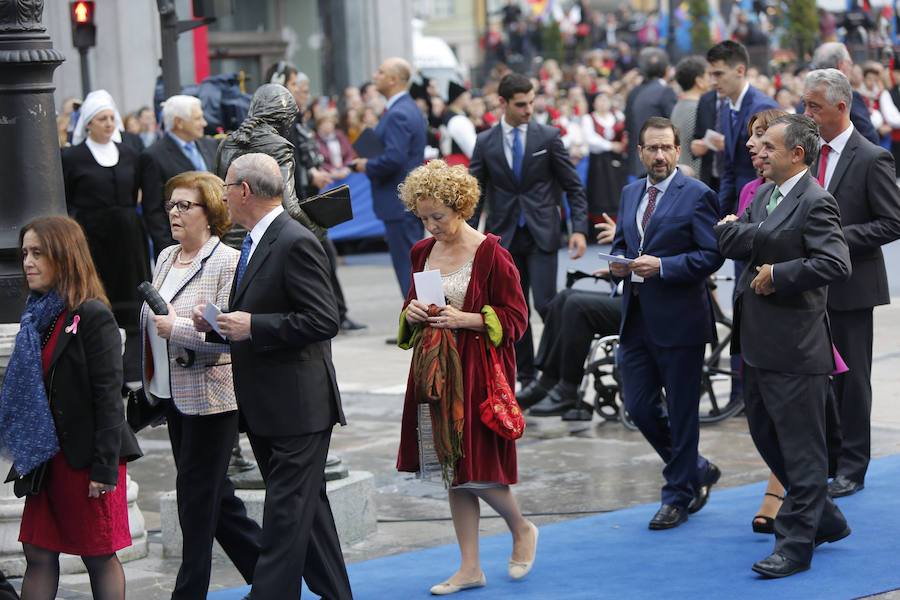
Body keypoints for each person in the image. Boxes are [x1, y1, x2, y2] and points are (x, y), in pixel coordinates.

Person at [192, 153, 351, 600]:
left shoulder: (294, 240)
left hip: (299, 408)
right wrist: (224, 323)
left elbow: (324, 320)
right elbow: (266, 310)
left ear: (244, 191)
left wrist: (252, 326)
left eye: (226, 185)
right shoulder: (257, 240)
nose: (222, 194)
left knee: (285, 515)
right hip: (268, 405)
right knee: (308, 512)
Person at [715, 114, 852, 578]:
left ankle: (795, 544)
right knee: (767, 436)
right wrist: (762, 238)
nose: (759, 150)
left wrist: (779, 271)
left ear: (797, 154)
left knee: (802, 450)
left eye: (768, 145)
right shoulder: (765, 195)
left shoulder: (817, 201)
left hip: (796, 348)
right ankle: (826, 517)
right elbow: (729, 238)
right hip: (755, 342)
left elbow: (835, 262)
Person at [395, 160, 534, 595]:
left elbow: (517, 320)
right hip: (433, 372)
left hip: (478, 374)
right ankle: (470, 566)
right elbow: (413, 308)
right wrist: (412, 312)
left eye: (438, 216)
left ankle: (521, 527)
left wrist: (468, 319)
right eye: (423, 217)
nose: (430, 225)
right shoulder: (421, 252)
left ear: (462, 208)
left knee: (474, 467)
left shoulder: (493, 253)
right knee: (450, 468)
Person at [0, 216, 142, 599]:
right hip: (46, 457)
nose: (27, 262)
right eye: (25, 253)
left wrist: (104, 469)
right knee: (38, 551)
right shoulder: (37, 315)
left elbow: (110, 398)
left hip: (88, 459)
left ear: (64, 256)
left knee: (98, 555)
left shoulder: (92, 314)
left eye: (38, 253)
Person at [139, 171, 262, 598]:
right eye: (170, 205)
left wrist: (180, 330)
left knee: (195, 499)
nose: (174, 212)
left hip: (213, 398)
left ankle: (188, 593)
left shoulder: (227, 262)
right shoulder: (166, 257)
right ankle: (272, 579)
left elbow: (230, 339)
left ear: (210, 212)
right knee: (218, 501)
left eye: (184, 205)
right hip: (173, 396)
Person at [608, 117, 724, 530]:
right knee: (639, 406)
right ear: (639, 153)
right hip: (635, 317)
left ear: (678, 151)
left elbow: (711, 255)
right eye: (651, 149)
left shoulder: (697, 195)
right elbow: (625, 241)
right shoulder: (628, 193)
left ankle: (677, 494)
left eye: (666, 148)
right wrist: (619, 262)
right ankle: (696, 468)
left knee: (682, 412)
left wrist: (664, 266)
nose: (659, 156)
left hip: (681, 321)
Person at [802, 69, 900, 498]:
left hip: (852, 284)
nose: (805, 114)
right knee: (816, 376)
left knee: (852, 379)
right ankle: (828, 456)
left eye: (813, 107)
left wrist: (835, 239)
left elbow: (892, 222)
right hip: (807, 285)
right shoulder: (805, 151)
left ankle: (853, 467)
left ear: (841, 108)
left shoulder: (871, 156)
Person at [468, 72, 589, 388]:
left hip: (542, 233)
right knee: (512, 309)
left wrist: (579, 229)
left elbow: (573, 187)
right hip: (503, 237)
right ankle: (525, 376)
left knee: (545, 305)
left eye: (532, 103)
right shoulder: (484, 142)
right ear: (502, 103)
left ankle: (560, 370)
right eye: (521, 104)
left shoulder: (547, 136)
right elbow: (473, 195)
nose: (528, 110)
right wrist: (463, 238)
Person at [267, 62, 367, 333]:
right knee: (320, 258)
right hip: (295, 204)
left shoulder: (296, 122)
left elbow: (301, 158)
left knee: (324, 257)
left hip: (307, 201)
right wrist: (310, 176)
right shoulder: (280, 123)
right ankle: (331, 314)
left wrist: (313, 174)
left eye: (303, 90)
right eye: (298, 88)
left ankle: (336, 313)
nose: (303, 95)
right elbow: (287, 164)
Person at [61, 89, 151, 382]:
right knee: (99, 297)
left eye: (112, 117)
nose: (109, 123)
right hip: (92, 238)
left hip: (128, 238)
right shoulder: (72, 157)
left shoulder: (129, 153)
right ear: (88, 123)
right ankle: (100, 367)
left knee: (132, 301)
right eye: (102, 119)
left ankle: (132, 370)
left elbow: (138, 190)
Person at [350, 57, 427, 301]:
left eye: (381, 72)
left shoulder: (398, 113)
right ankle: (418, 323)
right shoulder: (404, 108)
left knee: (408, 268)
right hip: (403, 201)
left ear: (394, 79)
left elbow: (394, 158)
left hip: (398, 201)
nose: (375, 77)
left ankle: (418, 324)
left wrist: (366, 164)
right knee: (412, 266)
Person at [706, 40, 779, 217]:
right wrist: (720, 215)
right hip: (738, 204)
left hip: (760, 206)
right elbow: (729, 169)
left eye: (718, 74)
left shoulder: (763, 107)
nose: (713, 81)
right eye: (711, 75)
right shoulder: (726, 107)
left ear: (740, 70)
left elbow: (773, 164)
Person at [139, 94, 218, 259]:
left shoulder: (209, 146)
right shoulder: (154, 156)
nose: (204, 123)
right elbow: (153, 212)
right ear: (178, 122)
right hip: (182, 248)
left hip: (215, 241)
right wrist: (170, 252)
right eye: (198, 118)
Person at [801, 42, 879, 145]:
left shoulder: (803, 99)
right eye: (850, 64)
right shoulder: (848, 96)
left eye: (814, 106)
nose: (807, 113)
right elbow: (870, 139)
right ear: (841, 65)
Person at [624, 47, 677, 177]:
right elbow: (675, 125)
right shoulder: (665, 91)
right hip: (660, 162)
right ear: (667, 70)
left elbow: (628, 127)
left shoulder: (633, 92)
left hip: (639, 161)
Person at [581, 91, 627, 219]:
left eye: (606, 99)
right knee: (600, 192)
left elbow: (626, 131)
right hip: (599, 161)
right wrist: (611, 146)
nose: (603, 102)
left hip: (617, 159)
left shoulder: (618, 116)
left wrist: (623, 143)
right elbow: (590, 139)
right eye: (600, 99)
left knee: (617, 190)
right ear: (594, 103)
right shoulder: (588, 118)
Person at [671, 56, 709, 176]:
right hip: (696, 177)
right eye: (709, 75)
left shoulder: (678, 106)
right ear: (699, 81)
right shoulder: (699, 108)